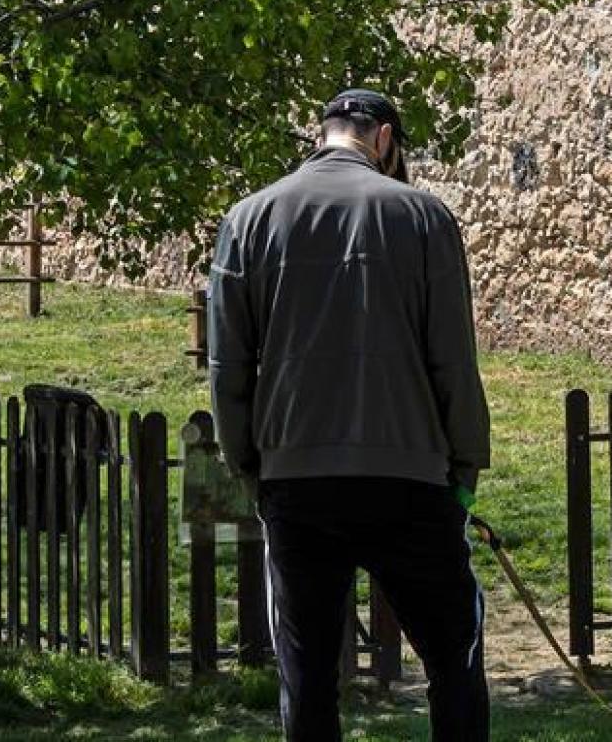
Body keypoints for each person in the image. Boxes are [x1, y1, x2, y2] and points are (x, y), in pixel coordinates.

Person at [208, 87, 491, 742]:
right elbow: (453, 358)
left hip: (297, 477)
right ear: (384, 139)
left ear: (323, 132)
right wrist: (465, 469)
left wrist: (247, 464)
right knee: (454, 658)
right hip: (410, 476)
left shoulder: (248, 218)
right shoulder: (424, 216)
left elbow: (228, 369)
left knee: (306, 675)